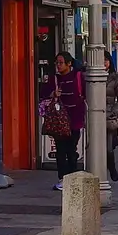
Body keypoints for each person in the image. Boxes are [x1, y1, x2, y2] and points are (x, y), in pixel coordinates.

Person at [38, 52, 86, 189]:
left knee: (71, 151)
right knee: (60, 151)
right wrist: (53, 94)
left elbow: (86, 93)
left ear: (69, 63)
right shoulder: (54, 79)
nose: (58, 65)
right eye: (57, 63)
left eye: (61, 63)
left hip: (75, 119)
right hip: (58, 120)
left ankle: (72, 177)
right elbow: (43, 93)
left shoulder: (78, 77)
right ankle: (62, 179)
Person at [104, 51, 118, 184]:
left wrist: (114, 111)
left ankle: (111, 167)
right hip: (92, 117)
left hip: (108, 117)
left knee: (108, 148)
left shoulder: (115, 79)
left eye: (106, 60)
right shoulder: (87, 76)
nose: (103, 62)